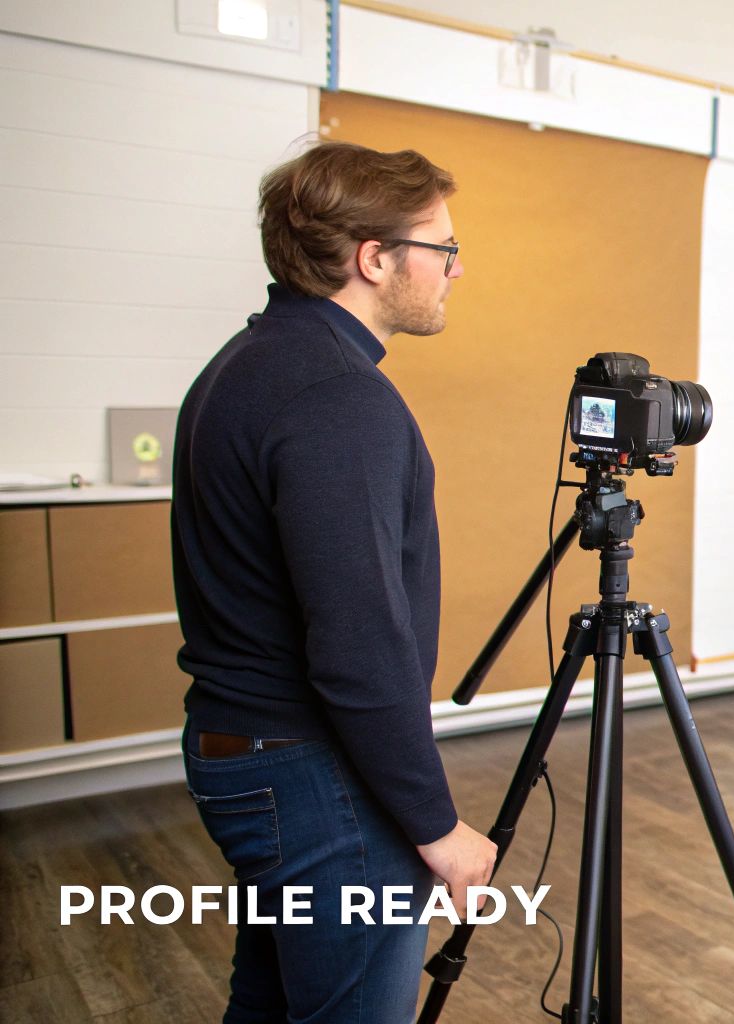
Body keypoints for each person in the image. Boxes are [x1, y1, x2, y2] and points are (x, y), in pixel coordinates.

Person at [171, 140, 496, 1022]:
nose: (455, 271)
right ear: (375, 258)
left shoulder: (244, 365)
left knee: (271, 1002)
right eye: (443, 249)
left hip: (245, 755)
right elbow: (358, 646)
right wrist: (438, 827)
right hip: (313, 780)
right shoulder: (337, 396)